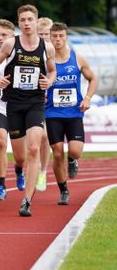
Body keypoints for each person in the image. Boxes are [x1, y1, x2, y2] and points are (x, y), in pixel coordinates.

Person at [0, 4, 56, 217]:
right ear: (19, 23)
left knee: (35, 148)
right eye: (23, 20)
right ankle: (19, 168)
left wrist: (50, 81)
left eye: (30, 19)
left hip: (36, 103)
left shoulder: (47, 47)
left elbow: (53, 70)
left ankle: (27, 201)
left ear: (36, 21)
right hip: (15, 104)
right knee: (20, 156)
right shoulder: (11, 43)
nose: (27, 23)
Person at [46, 22, 97, 205]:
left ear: (66, 37)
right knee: (57, 152)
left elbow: (92, 79)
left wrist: (88, 98)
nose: (58, 40)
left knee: (74, 151)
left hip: (74, 112)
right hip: (52, 113)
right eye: (54, 36)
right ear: (50, 38)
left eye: (61, 36)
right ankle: (64, 190)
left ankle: (73, 161)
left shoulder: (78, 58)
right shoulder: (46, 61)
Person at [0, 19, 26, 200]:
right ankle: (1, 186)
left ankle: (19, 169)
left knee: (21, 156)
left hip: (18, 106)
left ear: (13, 37)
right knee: (1, 142)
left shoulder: (22, 56)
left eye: (4, 35)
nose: (0, 39)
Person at [35, 17, 54, 192]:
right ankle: (35, 167)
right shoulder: (32, 49)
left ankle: (42, 171)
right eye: (40, 33)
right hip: (35, 100)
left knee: (46, 137)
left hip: (53, 102)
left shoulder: (55, 51)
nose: (43, 37)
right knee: (38, 137)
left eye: (46, 34)